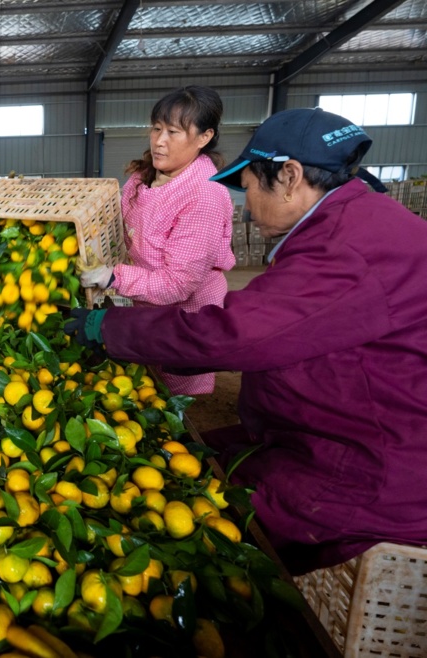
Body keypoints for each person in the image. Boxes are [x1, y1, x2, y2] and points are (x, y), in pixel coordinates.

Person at [66, 107, 427, 575]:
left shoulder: (350, 250)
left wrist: (104, 330)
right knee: (189, 457)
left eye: (251, 186)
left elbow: (235, 335)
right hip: (318, 431)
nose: (247, 205)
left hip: (366, 467)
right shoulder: (355, 223)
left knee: (208, 539)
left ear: (290, 176)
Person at [82, 86, 235, 395]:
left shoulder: (204, 195)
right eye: (156, 129)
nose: (159, 141)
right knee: (148, 382)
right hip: (147, 305)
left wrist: (114, 276)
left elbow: (178, 284)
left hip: (187, 315)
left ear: (204, 137)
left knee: (175, 395)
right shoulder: (143, 177)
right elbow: (115, 225)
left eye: (174, 132)